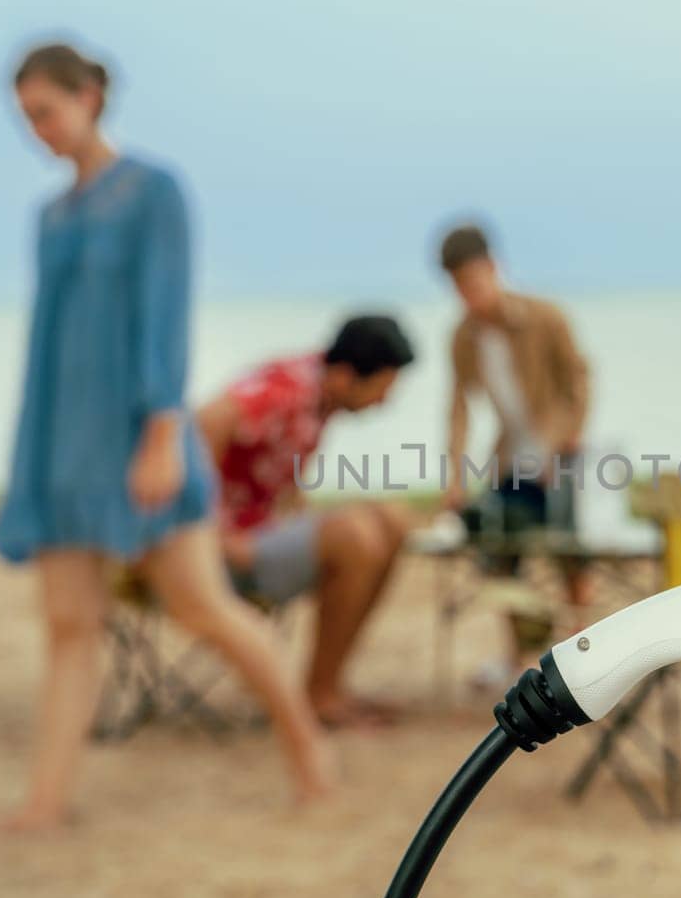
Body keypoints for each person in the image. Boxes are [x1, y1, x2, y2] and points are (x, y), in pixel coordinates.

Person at [0, 43, 335, 833]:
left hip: (142, 438)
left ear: (90, 98)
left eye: (45, 110)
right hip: (63, 447)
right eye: (25, 118)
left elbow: (165, 316)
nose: (37, 130)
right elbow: (49, 344)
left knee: (205, 611)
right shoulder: (52, 215)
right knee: (70, 625)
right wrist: (32, 457)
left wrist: (160, 433)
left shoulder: (153, 193)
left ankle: (308, 747)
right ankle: (46, 802)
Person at [196, 316, 416, 727]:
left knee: (392, 519)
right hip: (219, 553)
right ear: (347, 375)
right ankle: (319, 696)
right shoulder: (288, 388)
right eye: (380, 390)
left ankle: (328, 685)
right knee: (353, 536)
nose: (383, 403)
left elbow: (274, 465)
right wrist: (213, 533)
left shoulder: (318, 395)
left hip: (257, 534)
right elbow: (203, 424)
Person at [438, 223, 592, 674]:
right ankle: (516, 654)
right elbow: (458, 408)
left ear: (493, 267)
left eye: (473, 281)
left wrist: (556, 441)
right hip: (510, 461)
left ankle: (580, 648)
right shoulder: (463, 338)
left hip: (561, 456)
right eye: (458, 286)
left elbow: (578, 384)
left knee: (571, 552)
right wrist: (455, 478)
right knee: (497, 549)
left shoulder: (546, 318)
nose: (468, 294)